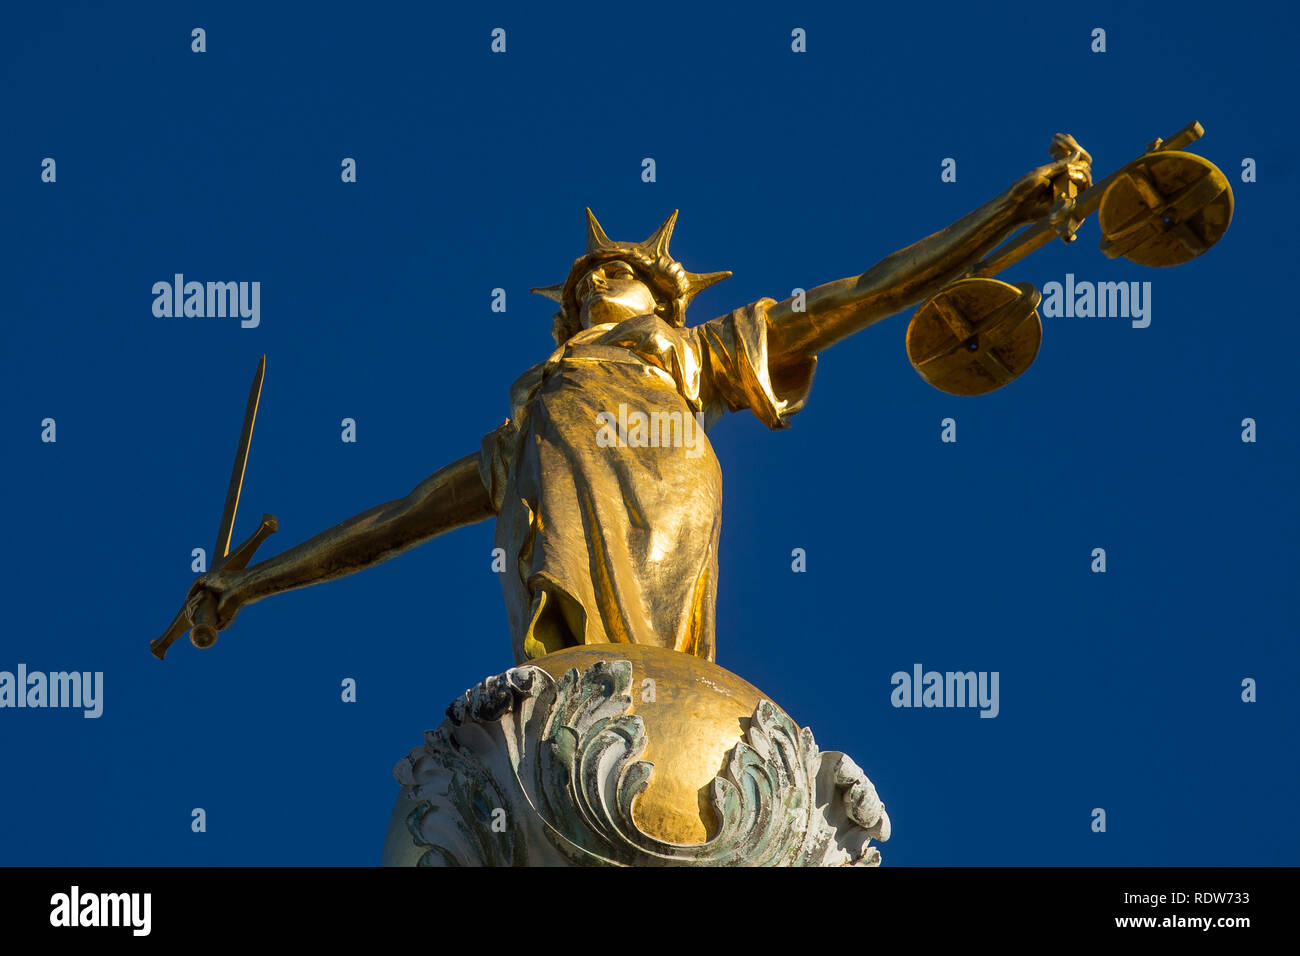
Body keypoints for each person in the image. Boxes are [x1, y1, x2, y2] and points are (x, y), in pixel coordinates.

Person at [180, 136, 1092, 666]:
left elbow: (867, 292)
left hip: (667, 494)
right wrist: (253, 582)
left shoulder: (695, 353)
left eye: (617, 273)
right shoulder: (532, 412)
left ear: (662, 295)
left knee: (657, 688)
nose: (596, 284)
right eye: (585, 282)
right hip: (557, 516)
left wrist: (1008, 208)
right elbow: (403, 515)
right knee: (571, 693)